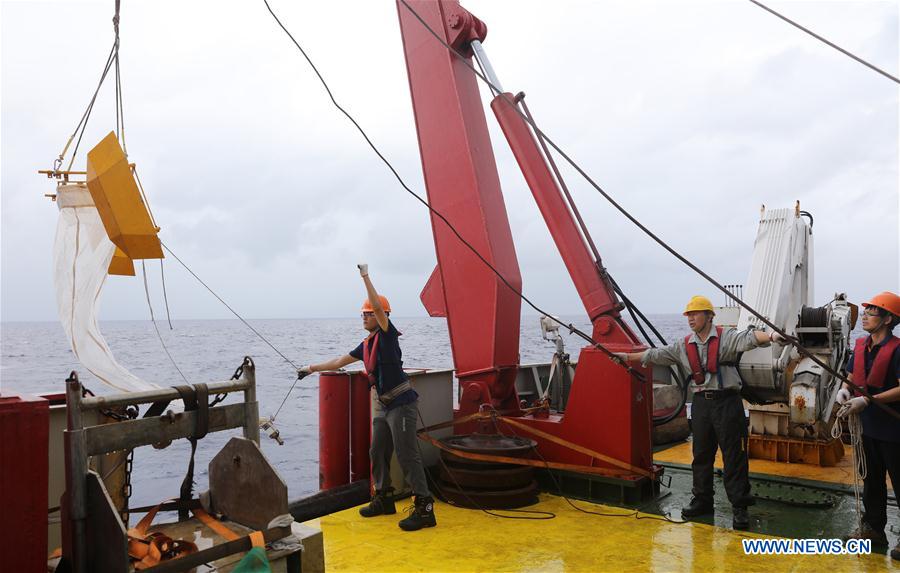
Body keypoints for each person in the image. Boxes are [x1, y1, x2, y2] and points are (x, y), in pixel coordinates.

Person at [615, 295, 780, 530]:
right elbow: (655, 355)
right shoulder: (684, 345)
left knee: (734, 457)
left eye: (695, 313)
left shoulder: (726, 338)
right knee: (701, 456)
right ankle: (702, 500)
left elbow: (750, 338)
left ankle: (739, 507)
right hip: (702, 405)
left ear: (709, 316)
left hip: (728, 404)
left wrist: (773, 335)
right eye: (688, 315)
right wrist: (627, 357)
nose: (690, 318)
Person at [298, 264, 436, 532]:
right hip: (383, 405)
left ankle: (424, 508)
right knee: (377, 451)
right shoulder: (366, 345)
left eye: (369, 313)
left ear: (382, 315)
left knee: (407, 455)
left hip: (401, 403)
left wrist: (365, 276)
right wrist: (311, 368)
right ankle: (383, 498)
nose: (364, 316)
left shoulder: (387, 335)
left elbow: (378, 306)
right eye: (362, 313)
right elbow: (339, 361)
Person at [836, 291, 900, 560]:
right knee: (871, 482)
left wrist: (868, 400)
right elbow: (851, 377)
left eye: (872, 311)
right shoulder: (861, 345)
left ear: (887, 319)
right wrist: (844, 391)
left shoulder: (898, 350)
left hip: (894, 431)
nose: (865, 315)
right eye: (866, 310)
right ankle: (873, 528)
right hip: (868, 428)